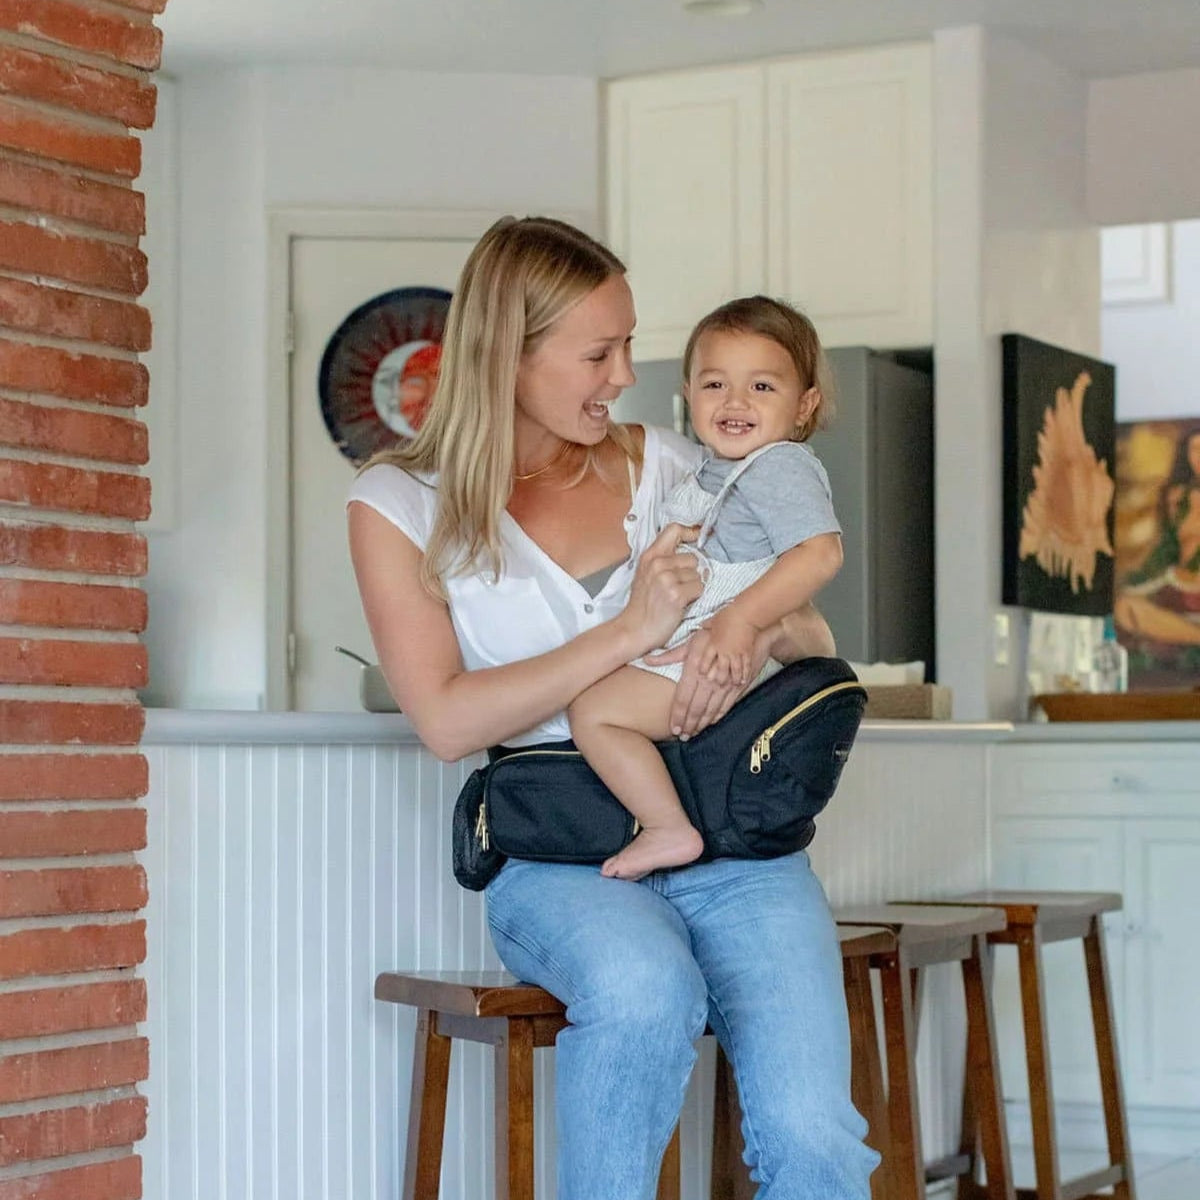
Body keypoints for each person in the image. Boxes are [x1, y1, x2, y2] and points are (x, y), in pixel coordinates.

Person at [346, 215, 878, 1200]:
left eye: (628, 343)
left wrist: (751, 635)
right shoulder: (400, 504)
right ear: (510, 354)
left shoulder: (676, 465)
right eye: (600, 350)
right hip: (564, 855)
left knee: (812, 1134)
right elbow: (449, 722)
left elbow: (808, 633)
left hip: (734, 839)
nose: (626, 373)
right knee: (643, 992)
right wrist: (632, 633)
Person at [568, 296, 843, 881]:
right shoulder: (716, 468)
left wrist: (741, 622)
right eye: (715, 383)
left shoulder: (779, 466)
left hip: (722, 648)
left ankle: (668, 828)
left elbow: (821, 553)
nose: (736, 402)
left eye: (763, 387)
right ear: (688, 393)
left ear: (805, 405)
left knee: (594, 713)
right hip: (705, 640)